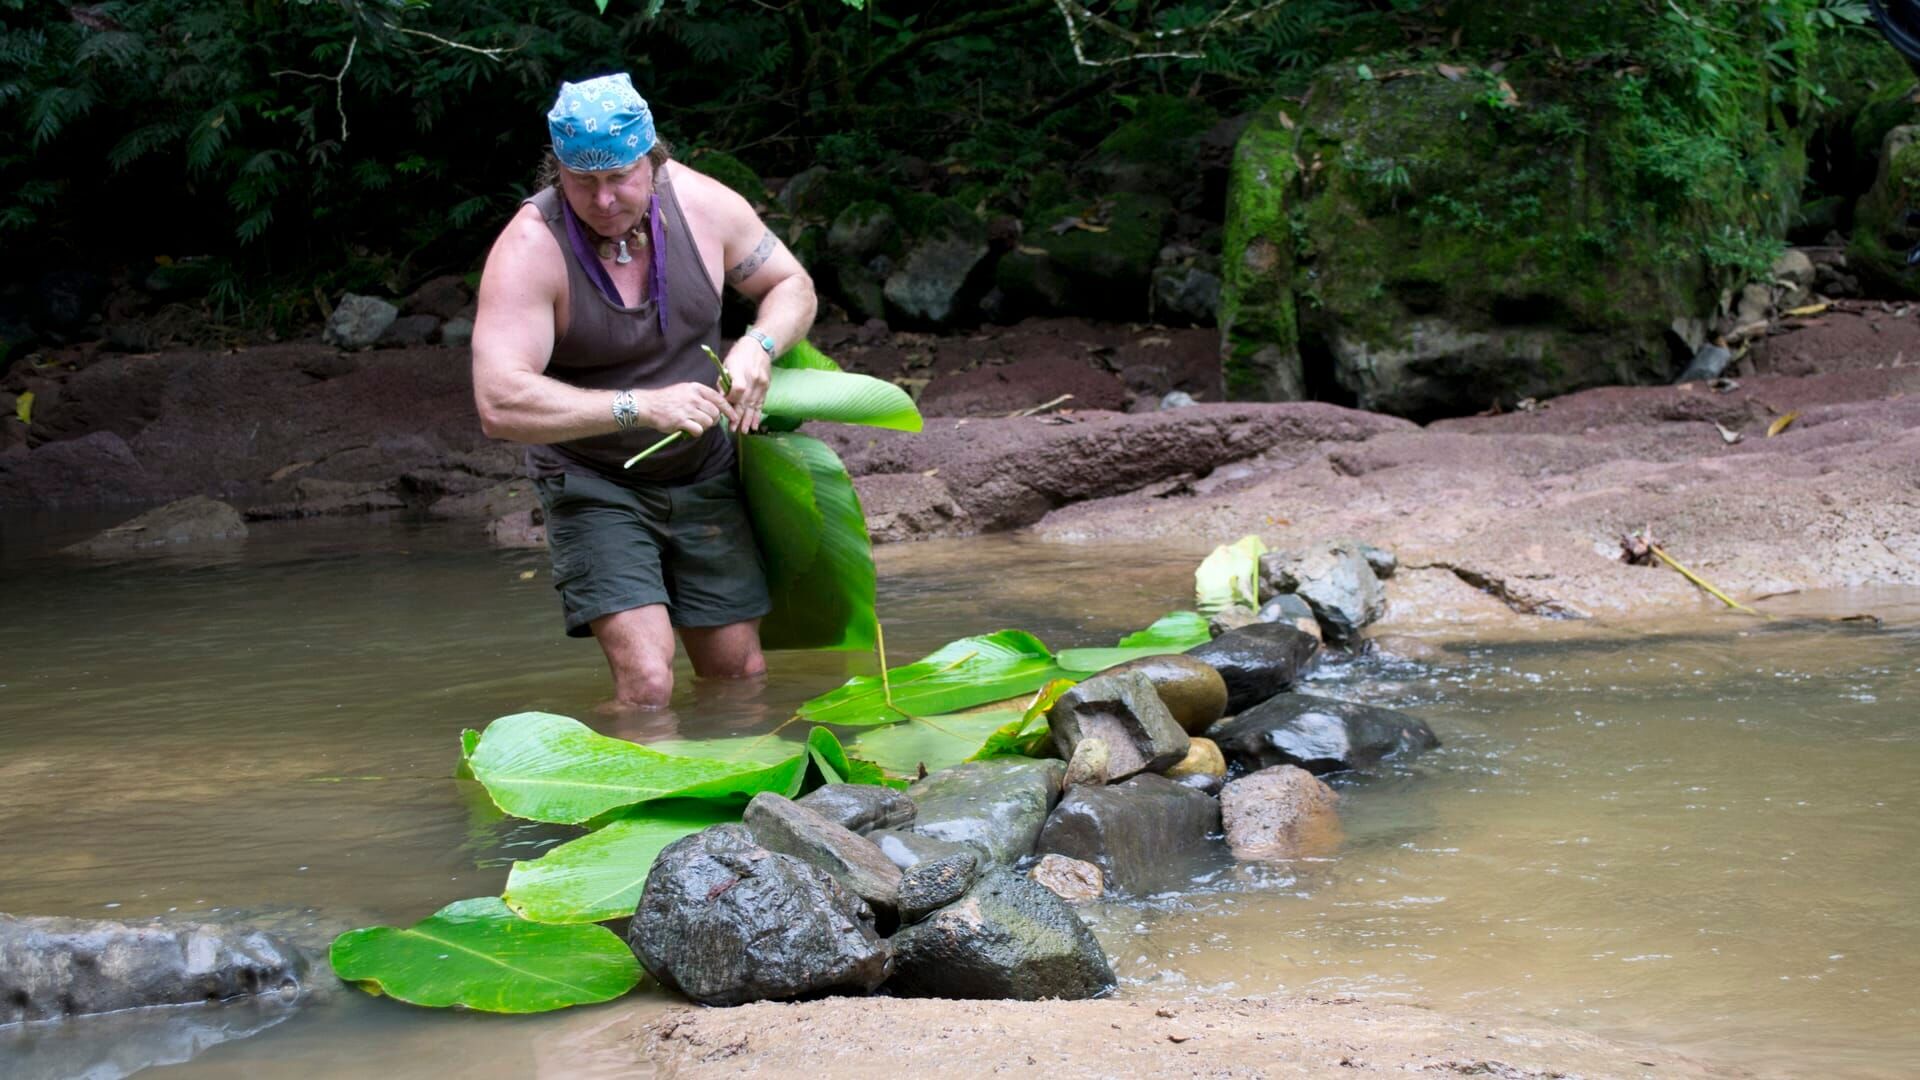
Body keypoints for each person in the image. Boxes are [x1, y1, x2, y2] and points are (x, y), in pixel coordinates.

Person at [470, 73, 816, 709]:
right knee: (649, 683)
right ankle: (620, 794)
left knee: (739, 674)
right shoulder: (529, 247)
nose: (603, 200)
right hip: (595, 477)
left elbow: (792, 285)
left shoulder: (704, 206)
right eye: (582, 182)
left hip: (703, 467)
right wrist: (639, 406)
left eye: (620, 178)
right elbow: (499, 401)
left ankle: (743, 802)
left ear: (653, 161)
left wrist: (757, 346)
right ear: (558, 173)